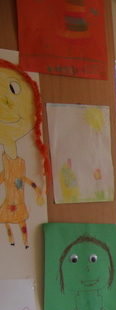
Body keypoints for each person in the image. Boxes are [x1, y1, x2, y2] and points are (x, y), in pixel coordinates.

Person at [0, 59, 49, 249]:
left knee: (19, 222)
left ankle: (22, 243)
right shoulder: (10, 164)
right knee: (8, 221)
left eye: (12, 89)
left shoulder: (19, 163)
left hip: (17, 200)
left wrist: (37, 191)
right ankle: (13, 242)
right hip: (11, 200)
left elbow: (26, 180)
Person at [58, 234, 115, 310]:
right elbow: (77, 308)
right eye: (74, 260)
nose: (87, 269)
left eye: (93, 260)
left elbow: (101, 306)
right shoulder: (78, 298)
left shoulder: (98, 296)